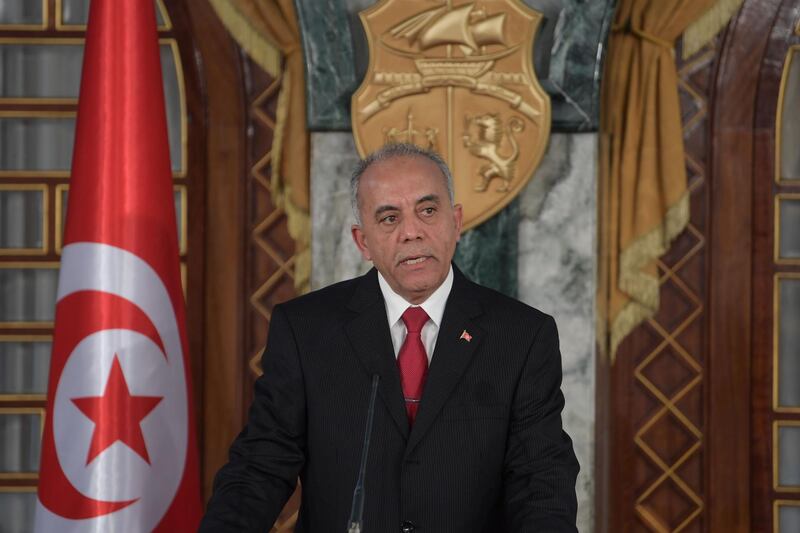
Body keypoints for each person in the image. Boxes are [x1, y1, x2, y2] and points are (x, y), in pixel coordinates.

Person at [199, 143, 579, 532]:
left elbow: (541, 481)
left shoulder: (521, 336)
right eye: (389, 218)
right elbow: (261, 464)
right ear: (362, 241)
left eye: (428, 211)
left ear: (456, 222)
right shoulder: (306, 330)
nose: (412, 232)